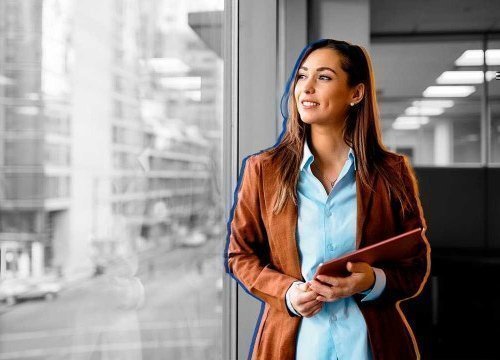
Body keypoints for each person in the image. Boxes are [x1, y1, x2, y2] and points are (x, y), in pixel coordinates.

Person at [224, 38, 431, 360]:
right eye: (302, 76)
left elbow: (415, 266)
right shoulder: (263, 170)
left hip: (370, 346)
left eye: (323, 77)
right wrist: (289, 293)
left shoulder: (391, 172)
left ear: (356, 94)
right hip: (294, 347)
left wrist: (371, 280)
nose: (306, 88)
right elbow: (241, 256)